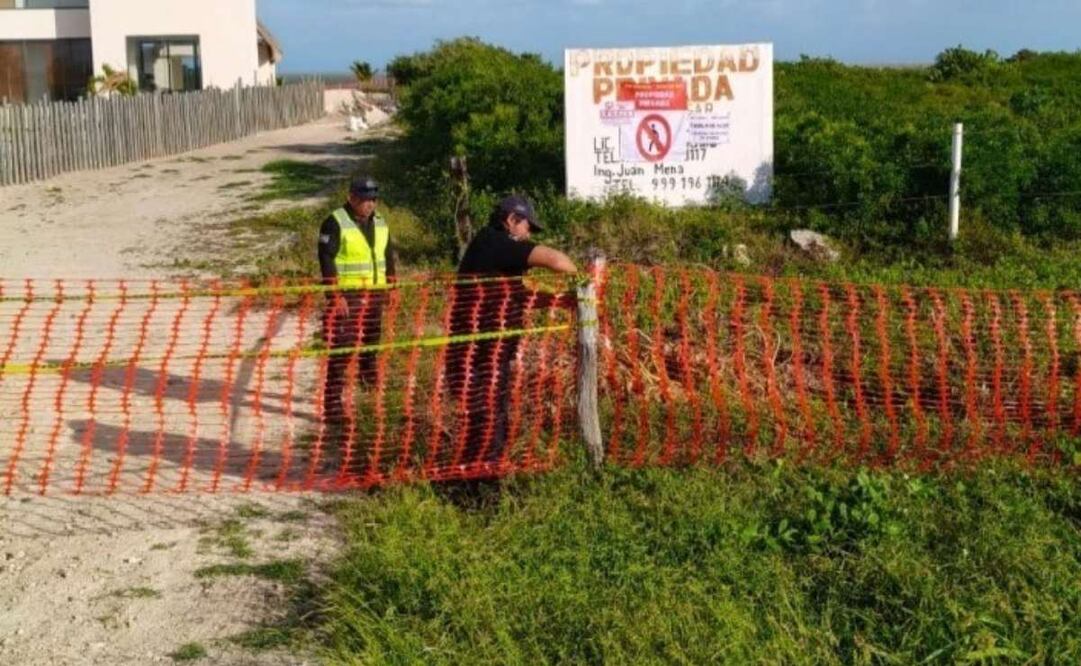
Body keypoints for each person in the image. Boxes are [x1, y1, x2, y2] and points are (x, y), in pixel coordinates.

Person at [444, 194, 577, 475]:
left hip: (487, 354)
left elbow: (517, 295)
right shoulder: (497, 244)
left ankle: (477, 481)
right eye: (527, 227)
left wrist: (560, 300)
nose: (528, 234)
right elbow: (558, 261)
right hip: (479, 356)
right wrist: (585, 279)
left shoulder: (493, 251)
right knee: (486, 423)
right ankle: (479, 489)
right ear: (512, 220)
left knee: (490, 420)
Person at [317, 176, 397, 425]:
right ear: (351, 197)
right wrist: (335, 295)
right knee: (342, 350)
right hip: (348, 298)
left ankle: (368, 382)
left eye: (373, 199)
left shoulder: (381, 222)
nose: (369, 204)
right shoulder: (335, 222)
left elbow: (386, 254)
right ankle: (332, 405)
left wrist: (392, 285)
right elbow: (326, 260)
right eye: (364, 199)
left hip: (375, 294)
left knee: (372, 342)